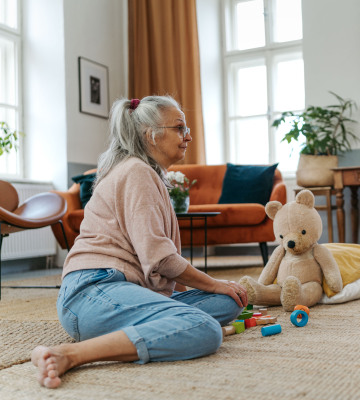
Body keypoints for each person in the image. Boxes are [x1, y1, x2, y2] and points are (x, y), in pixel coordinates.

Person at [31, 96, 248, 389]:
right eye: (179, 128)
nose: (188, 136)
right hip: (91, 292)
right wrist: (213, 283)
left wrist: (217, 291)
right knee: (205, 329)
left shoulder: (148, 174)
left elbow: (163, 262)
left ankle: (156, 326)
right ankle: (71, 354)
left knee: (227, 303)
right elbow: (160, 259)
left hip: (122, 289)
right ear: (151, 135)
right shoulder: (137, 172)